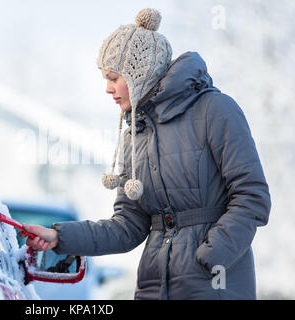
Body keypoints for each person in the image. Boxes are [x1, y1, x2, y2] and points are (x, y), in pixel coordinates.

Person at [18, 8, 271, 300]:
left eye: (113, 78)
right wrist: (61, 237)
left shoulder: (215, 110)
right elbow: (127, 226)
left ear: (139, 74)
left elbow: (252, 196)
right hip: (153, 287)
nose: (107, 89)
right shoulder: (134, 135)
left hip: (213, 285)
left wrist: (211, 255)